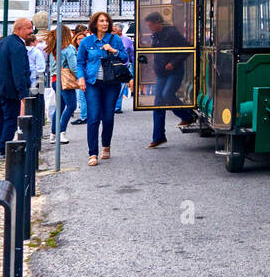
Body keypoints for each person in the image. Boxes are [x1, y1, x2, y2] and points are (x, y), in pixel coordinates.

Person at [76, 11, 131, 167]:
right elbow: (80, 62)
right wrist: (81, 78)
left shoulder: (115, 39)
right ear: (95, 24)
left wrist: (113, 50)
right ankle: (92, 153)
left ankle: (106, 145)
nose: (105, 23)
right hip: (92, 83)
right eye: (101, 21)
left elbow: (125, 58)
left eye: (107, 21)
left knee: (108, 117)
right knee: (93, 117)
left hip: (111, 83)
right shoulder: (87, 42)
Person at [143, 12, 196, 149]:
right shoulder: (155, 35)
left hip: (175, 71)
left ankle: (187, 115)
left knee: (167, 95)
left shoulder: (172, 33)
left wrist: (173, 63)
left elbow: (187, 48)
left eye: (150, 26)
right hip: (162, 73)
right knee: (158, 104)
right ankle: (158, 137)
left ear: (158, 22)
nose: (149, 29)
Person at [0, 19, 34, 161]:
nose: (31, 31)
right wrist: (23, 93)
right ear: (19, 29)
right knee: (10, 120)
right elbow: (18, 71)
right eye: (28, 28)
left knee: (1, 118)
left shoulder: (3, 42)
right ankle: (3, 150)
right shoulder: (17, 46)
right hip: (9, 89)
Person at [46, 25, 76, 145]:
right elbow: (73, 66)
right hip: (65, 80)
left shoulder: (53, 48)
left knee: (60, 107)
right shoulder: (68, 48)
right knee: (71, 106)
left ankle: (53, 134)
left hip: (54, 80)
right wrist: (80, 78)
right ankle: (61, 132)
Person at [113, 24, 135, 114]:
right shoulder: (109, 39)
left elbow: (132, 52)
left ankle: (117, 107)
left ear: (120, 31)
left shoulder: (127, 40)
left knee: (121, 87)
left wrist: (133, 63)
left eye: (114, 31)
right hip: (111, 66)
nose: (112, 32)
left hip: (123, 66)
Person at [70, 24, 89, 126]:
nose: (80, 40)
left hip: (85, 75)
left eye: (82, 38)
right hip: (78, 76)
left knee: (82, 97)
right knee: (81, 97)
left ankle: (84, 117)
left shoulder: (87, 49)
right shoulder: (74, 50)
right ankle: (85, 115)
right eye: (78, 39)